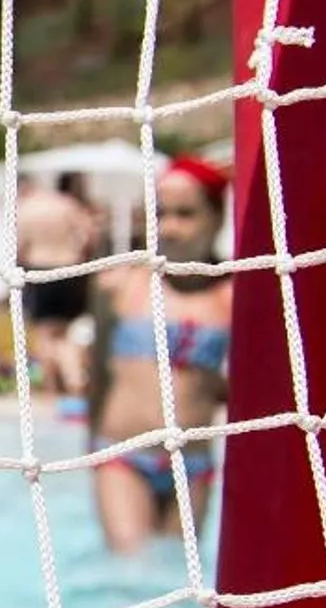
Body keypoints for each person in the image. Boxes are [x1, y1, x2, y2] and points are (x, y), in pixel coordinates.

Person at [87, 155, 234, 554]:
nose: (169, 226)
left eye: (186, 214)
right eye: (160, 213)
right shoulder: (122, 282)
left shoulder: (233, 294)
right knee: (133, 575)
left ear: (217, 218)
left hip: (195, 465)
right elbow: (98, 375)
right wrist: (90, 450)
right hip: (124, 455)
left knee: (178, 581)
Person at [14, 176, 102, 393]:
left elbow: (18, 247)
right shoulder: (65, 203)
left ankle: (53, 387)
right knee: (66, 331)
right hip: (71, 269)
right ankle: (74, 377)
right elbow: (90, 233)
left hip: (40, 270)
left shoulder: (24, 209)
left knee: (45, 333)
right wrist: (81, 255)